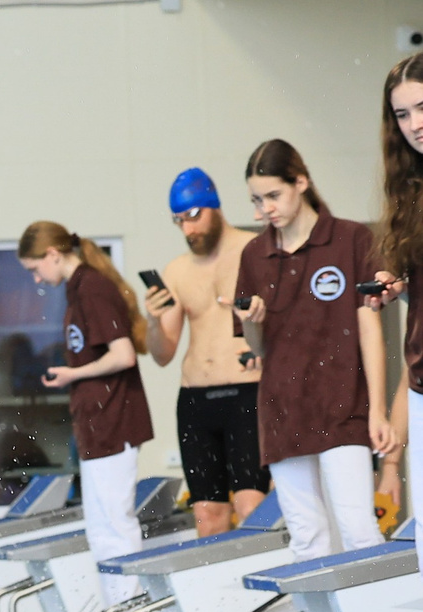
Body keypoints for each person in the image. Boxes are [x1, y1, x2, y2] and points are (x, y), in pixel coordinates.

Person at [228, 139, 393, 564]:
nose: (265, 209)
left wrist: (377, 410)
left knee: (359, 531)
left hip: (343, 407)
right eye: (256, 200)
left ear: (301, 182)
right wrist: (252, 321)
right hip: (283, 413)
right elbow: (258, 348)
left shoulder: (350, 239)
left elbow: (369, 326)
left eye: (273, 196)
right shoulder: (254, 254)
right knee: (308, 539)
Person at [18, 222, 153, 609]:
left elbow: (124, 353)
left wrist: (73, 374)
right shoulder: (79, 291)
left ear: (53, 254)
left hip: (114, 421)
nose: (36, 277)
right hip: (98, 424)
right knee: (101, 527)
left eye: (34, 268)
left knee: (114, 525)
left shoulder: (93, 287)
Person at [143, 168, 268, 538]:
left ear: (214, 205)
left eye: (193, 217)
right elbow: (162, 353)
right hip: (196, 400)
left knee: (252, 507)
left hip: (249, 393)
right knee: (207, 515)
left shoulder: (256, 251)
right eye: (179, 221)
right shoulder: (178, 270)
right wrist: (152, 320)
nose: (188, 230)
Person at [372, 52, 423, 576]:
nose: (414, 125)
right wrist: (402, 286)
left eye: (422, 108)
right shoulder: (411, 192)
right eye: (402, 116)